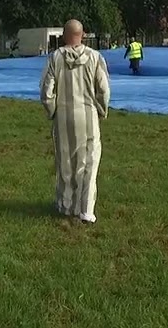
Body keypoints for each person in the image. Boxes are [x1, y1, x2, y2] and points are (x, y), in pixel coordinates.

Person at [39, 19, 110, 224]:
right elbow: (104, 89)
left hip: (63, 115)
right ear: (83, 35)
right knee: (88, 163)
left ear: (64, 36)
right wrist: (101, 110)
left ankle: (66, 205)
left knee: (65, 162)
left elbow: (46, 91)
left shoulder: (55, 57)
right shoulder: (95, 57)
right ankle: (85, 210)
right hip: (87, 114)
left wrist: (53, 111)